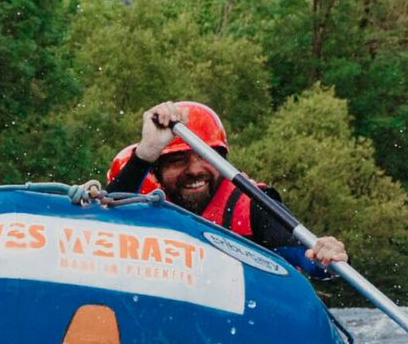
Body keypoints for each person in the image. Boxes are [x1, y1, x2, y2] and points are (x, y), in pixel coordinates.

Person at [105, 100, 348, 275]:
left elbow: (304, 256)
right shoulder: (153, 206)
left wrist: (325, 257)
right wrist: (146, 153)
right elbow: (108, 223)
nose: (194, 170)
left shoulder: (254, 204)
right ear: (157, 172)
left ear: (222, 161)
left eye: (205, 156)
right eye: (177, 161)